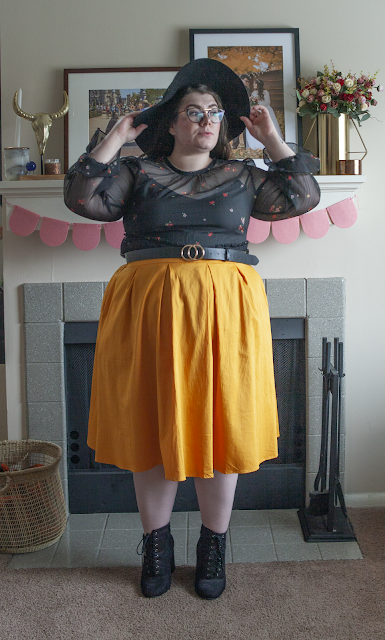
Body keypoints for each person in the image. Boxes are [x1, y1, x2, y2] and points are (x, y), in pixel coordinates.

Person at [64, 58, 320, 600]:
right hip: (149, 308)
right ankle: (156, 546)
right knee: (151, 424)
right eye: (192, 112)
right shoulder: (137, 172)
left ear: (224, 124)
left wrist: (272, 137)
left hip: (224, 310)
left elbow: (303, 196)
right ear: (173, 123)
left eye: (214, 113)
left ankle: (213, 545)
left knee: (219, 424)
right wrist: (115, 138)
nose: (205, 120)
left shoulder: (248, 176)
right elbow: (82, 199)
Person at [245, 77, 284, 150]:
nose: (254, 84)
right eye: (253, 83)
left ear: (259, 84)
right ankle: (255, 145)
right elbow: (252, 101)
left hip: (265, 110)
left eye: (255, 83)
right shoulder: (253, 92)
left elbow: (267, 102)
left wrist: (258, 105)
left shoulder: (265, 92)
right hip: (256, 110)